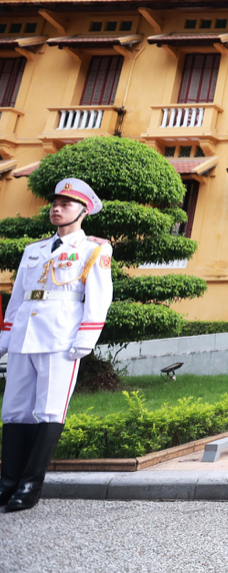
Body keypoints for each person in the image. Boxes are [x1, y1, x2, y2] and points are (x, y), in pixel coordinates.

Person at [0, 178, 112, 513]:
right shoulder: (33, 250)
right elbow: (18, 299)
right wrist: (5, 338)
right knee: (15, 409)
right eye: (55, 203)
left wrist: (85, 338)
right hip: (24, 335)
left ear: (83, 210)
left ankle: (30, 485)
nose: (57, 208)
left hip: (60, 338)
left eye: (65, 203)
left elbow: (99, 298)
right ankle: (7, 481)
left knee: (49, 409)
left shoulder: (94, 250)